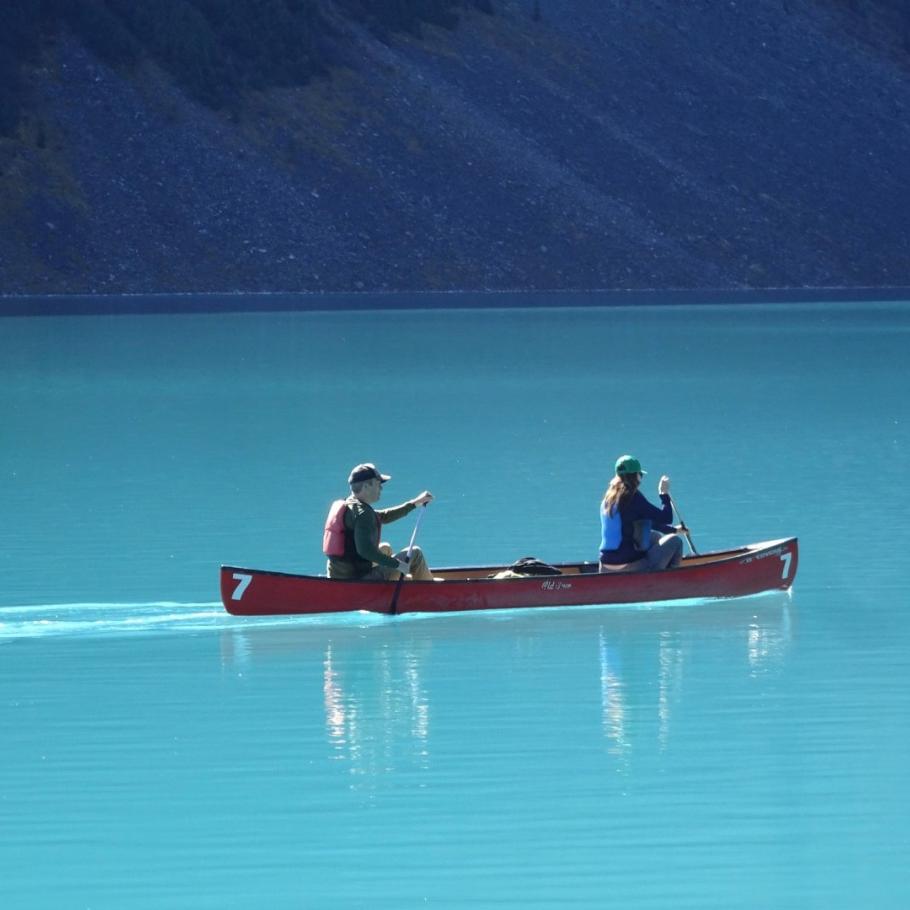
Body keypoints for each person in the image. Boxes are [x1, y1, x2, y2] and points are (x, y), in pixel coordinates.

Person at [324, 463, 434, 581]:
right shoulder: (363, 514)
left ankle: (402, 582)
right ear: (366, 486)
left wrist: (415, 503)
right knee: (415, 554)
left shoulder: (350, 505)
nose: (381, 488)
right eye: (378, 484)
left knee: (385, 548)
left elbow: (383, 516)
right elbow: (365, 551)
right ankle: (430, 591)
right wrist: (397, 564)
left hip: (340, 574)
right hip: (356, 581)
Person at [599, 455, 688, 572]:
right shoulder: (633, 497)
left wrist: (674, 530)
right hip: (628, 566)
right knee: (675, 541)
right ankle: (668, 582)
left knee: (654, 537)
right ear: (635, 476)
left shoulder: (608, 498)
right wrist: (663, 494)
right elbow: (666, 518)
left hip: (605, 565)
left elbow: (644, 523)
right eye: (640, 475)